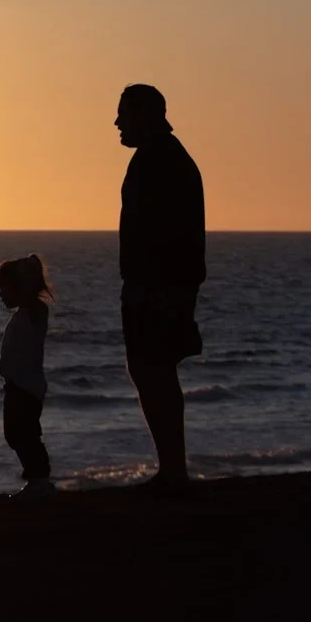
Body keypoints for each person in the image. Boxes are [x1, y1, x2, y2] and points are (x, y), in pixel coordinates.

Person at [114, 83, 205, 494]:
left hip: (158, 286)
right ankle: (172, 467)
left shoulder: (161, 160)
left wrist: (161, 290)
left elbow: (169, 233)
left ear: (143, 117)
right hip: (155, 284)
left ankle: (173, 469)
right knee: (152, 370)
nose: (116, 122)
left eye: (123, 114)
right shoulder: (160, 159)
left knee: (155, 371)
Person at [0, 253, 53, 497]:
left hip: (25, 388)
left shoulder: (32, 314)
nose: (0, 296)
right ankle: (37, 477)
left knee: (23, 433)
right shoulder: (24, 316)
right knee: (17, 433)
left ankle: (39, 478)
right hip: (18, 385)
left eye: (5, 290)